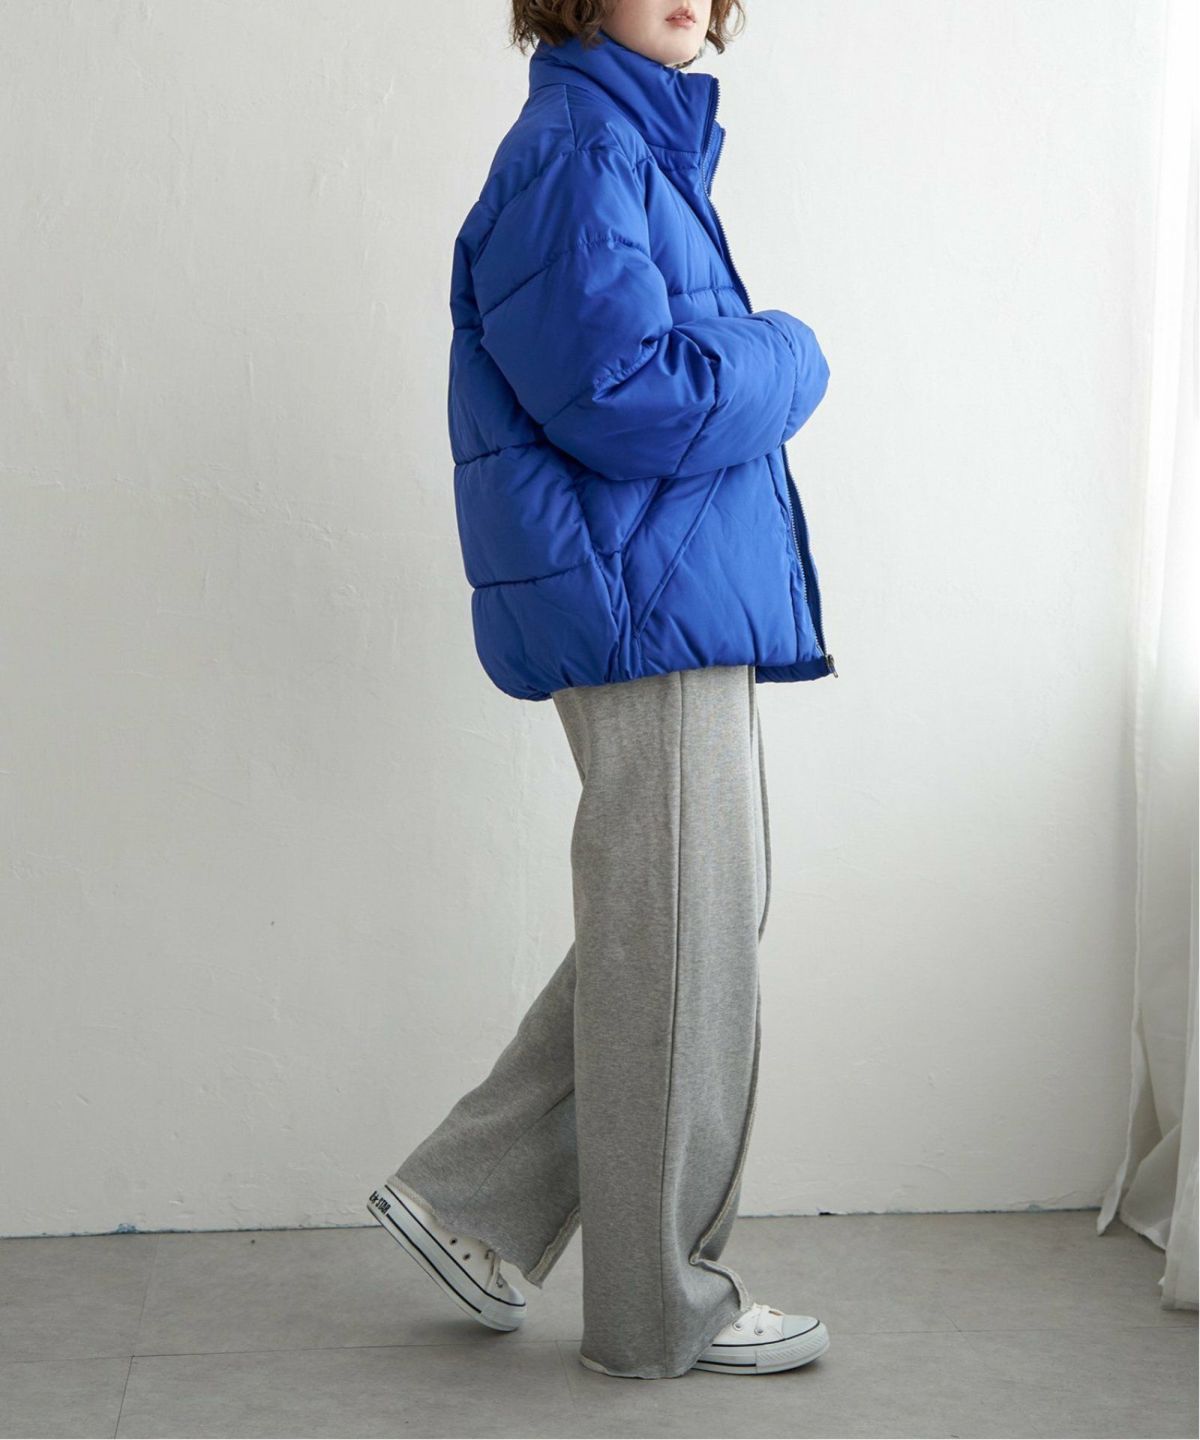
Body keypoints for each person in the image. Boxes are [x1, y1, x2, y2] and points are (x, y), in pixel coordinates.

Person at [367, 0, 835, 1380]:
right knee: (680, 934)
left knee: (678, 923)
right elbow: (628, 395)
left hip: (660, 587)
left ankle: (475, 1200)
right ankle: (657, 1310)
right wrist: (790, 350)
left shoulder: (623, 140)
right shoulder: (582, 149)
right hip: (643, 601)